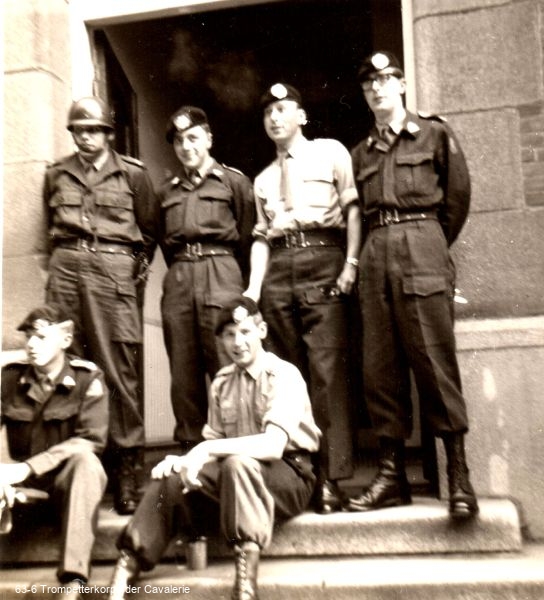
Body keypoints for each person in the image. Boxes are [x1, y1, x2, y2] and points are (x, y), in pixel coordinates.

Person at [107, 298, 320, 600]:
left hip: (289, 475)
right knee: (171, 477)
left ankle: (245, 586)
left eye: (245, 332)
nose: (238, 342)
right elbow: (213, 447)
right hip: (237, 477)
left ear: (262, 330)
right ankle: (125, 569)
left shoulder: (283, 375)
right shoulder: (222, 382)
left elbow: (273, 446)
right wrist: (185, 464)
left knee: (238, 463)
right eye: (229, 335)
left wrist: (207, 450)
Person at [346, 51, 478, 519]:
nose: (377, 89)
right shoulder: (361, 153)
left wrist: (430, 244)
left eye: (385, 79)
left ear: (401, 84)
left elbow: (457, 198)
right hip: (376, 251)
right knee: (380, 367)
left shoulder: (434, 133)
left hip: (422, 244)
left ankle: (458, 475)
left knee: (434, 360)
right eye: (369, 84)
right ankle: (392, 476)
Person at [243, 83, 361, 514]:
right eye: (268, 112)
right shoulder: (262, 180)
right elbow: (261, 238)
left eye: (282, 109)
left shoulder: (331, 153)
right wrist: (253, 290)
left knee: (327, 374)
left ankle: (330, 479)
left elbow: (353, 211)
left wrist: (351, 263)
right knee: (287, 376)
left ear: (302, 116)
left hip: (323, 259)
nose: (274, 118)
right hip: (279, 270)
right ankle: (300, 476)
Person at [43, 96, 157, 515]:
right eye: (79, 130)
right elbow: (48, 231)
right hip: (67, 271)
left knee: (119, 371)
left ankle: (127, 469)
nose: (86, 137)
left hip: (113, 271)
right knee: (67, 368)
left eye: (94, 130)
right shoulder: (56, 174)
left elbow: (149, 232)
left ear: (108, 133)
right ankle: (75, 471)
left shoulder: (133, 174)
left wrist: (124, 273)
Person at [158, 106, 255, 453]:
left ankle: (237, 450)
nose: (186, 147)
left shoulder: (234, 182)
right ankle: (191, 454)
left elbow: (247, 237)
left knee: (227, 361)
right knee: (183, 373)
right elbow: (166, 245)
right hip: (180, 277)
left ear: (209, 139)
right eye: (179, 141)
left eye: (193, 138)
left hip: (222, 273)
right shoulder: (167, 191)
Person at [1, 304, 109, 600]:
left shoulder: (88, 379)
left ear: (65, 339)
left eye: (41, 337)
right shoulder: (10, 379)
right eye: (28, 337)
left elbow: (91, 440)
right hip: (25, 492)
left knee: (87, 462)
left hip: (69, 489)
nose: (32, 345)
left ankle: (73, 582)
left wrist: (27, 467)